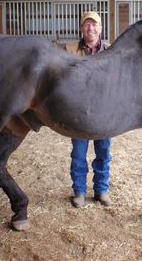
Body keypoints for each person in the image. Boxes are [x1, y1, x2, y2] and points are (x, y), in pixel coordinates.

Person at [60, 11, 112, 208]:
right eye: (87, 25)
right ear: (81, 29)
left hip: (104, 112)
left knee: (104, 152)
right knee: (79, 153)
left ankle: (101, 190)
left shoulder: (111, 51)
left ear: (100, 28)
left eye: (94, 24)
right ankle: (80, 191)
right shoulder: (69, 49)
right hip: (80, 111)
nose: (91, 28)